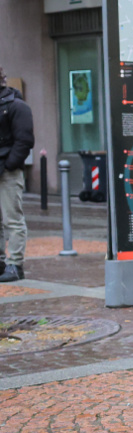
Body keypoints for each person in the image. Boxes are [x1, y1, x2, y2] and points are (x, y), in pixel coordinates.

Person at [0, 67, 33, 283]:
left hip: (7, 172)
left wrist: (10, 164)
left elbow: (25, 141)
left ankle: (15, 264)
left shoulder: (16, 106)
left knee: (12, 219)